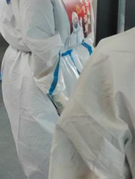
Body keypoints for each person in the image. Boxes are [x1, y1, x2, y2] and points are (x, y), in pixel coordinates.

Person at [0, 0, 94, 179]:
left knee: (38, 144)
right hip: (73, 64)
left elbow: (40, 42)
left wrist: (53, 88)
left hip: (35, 72)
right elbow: (86, 28)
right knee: (69, 143)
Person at [49, 27, 134, 179]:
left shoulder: (114, 57)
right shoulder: (115, 58)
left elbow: (91, 163)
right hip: (59, 65)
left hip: (65, 65)